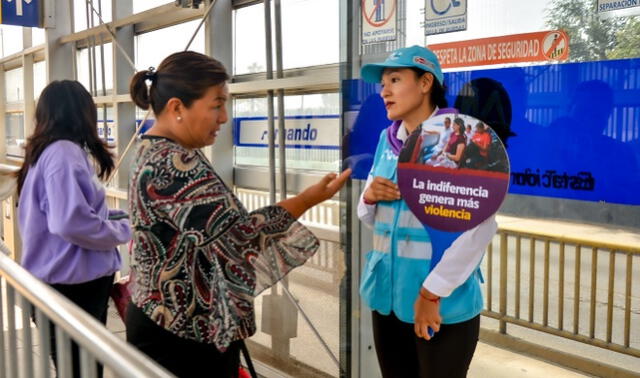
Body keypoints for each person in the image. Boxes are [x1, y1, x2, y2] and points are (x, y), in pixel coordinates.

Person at [126, 51, 350, 378]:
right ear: (177, 107)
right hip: (182, 336)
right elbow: (241, 237)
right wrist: (307, 199)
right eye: (216, 104)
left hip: (165, 319)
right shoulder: (173, 165)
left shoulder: (155, 149)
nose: (224, 117)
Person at [358, 45, 498, 378]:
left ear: (425, 83)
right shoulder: (386, 140)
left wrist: (431, 293)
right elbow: (372, 220)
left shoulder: (460, 141)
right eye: (382, 83)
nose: (384, 91)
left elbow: (480, 227)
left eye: (394, 79)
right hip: (390, 299)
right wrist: (370, 197)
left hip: (440, 306)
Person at [16, 80, 131, 378]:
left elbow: (80, 212)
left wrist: (118, 218)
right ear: (82, 113)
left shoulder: (48, 152)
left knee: (77, 369)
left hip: (63, 285)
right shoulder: (63, 153)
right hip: (73, 289)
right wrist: (124, 231)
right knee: (83, 371)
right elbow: (71, 222)